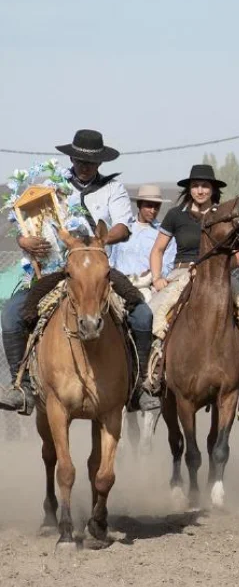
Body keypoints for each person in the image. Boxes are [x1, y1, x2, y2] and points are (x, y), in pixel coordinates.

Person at [0, 129, 155, 414]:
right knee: (10, 315)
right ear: (71, 158)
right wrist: (24, 240)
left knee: (143, 315)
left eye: (91, 162)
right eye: (80, 160)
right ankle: (20, 386)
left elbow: (123, 225)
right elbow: (28, 222)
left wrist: (100, 243)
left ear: (100, 163)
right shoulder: (51, 186)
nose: (85, 166)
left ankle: (139, 387)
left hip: (98, 270)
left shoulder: (113, 189)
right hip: (52, 271)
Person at [148, 164, 239, 319]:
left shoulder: (224, 216)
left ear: (213, 189)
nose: (200, 191)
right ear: (189, 189)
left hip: (217, 275)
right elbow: (157, 250)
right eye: (195, 186)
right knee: (150, 314)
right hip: (181, 273)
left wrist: (216, 267)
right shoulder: (176, 214)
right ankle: (155, 344)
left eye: (205, 186)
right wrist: (157, 278)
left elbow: (238, 258)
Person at [109, 184, 176, 300]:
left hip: (147, 286)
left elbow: (168, 264)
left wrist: (154, 275)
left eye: (156, 207)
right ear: (139, 205)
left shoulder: (164, 234)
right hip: (118, 284)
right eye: (149, 206)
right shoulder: (122, 229)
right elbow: (111, 257)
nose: (153, 211)